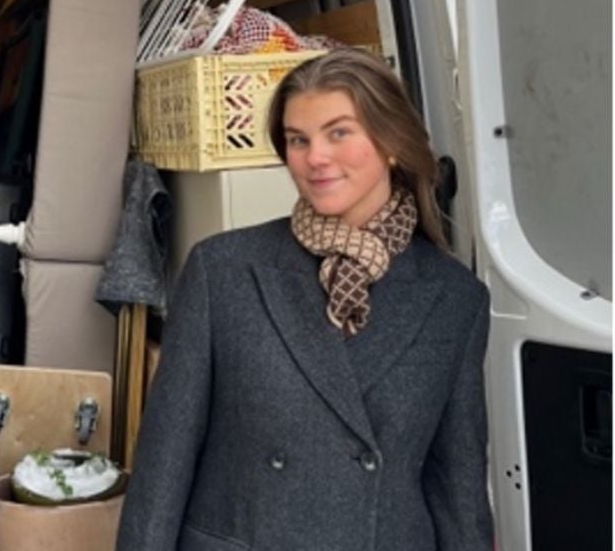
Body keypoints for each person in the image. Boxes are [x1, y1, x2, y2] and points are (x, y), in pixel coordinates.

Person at [116, 48, 493, 550]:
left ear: (391, 143)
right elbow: (164, 463)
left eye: (339, 132)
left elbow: (458, 485)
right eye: (298, 139)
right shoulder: (224, 270)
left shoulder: (454, 298)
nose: (315, 157)